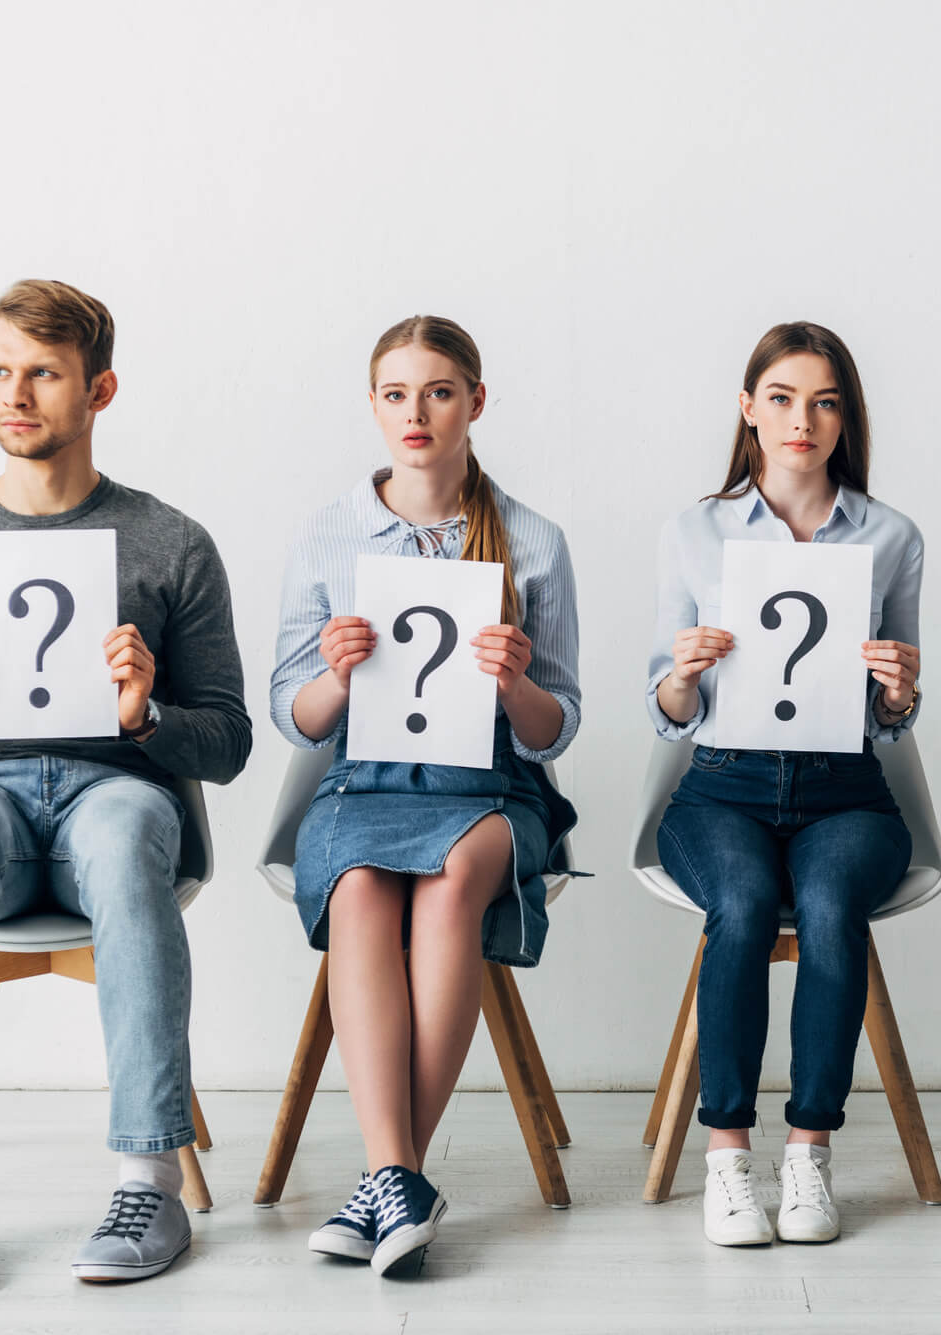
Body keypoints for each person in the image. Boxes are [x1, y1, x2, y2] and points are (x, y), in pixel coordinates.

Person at [0, 279, 251, 1287]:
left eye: (41, 373)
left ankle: (149, 1184)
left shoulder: (170, 544)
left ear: (98, 389)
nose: (14, 395)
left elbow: (230, 741)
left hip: (112, 793)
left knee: (122, 837)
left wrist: (145, 715)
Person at [269, 316, 580, 1277]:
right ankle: (397, 1175)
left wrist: (514, 683)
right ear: (373, 406)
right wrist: (333, 671)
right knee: (362, 884)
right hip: (362, 785)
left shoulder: (532, 540)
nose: (417, 412)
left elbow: (557, 724)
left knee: (450, 882)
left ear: (474, 403)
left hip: (489, 788)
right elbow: (294, 716)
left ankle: (386, 1181)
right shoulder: (329, 532)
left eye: (439, 392)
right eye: (397, 394)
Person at [647, 322, 922, 1246]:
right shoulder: (695, 530)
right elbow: (666, 707)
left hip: (847, 792)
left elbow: (894, 717)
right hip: (722, 784)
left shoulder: (891, 535)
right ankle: (727, 1156)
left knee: (834, 905)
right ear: (748, 409)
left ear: (847, 417)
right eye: (782, 398)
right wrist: (684, 672)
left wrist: (897, 690)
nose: (803, 419)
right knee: (746, 901)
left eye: (826, 400)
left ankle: (809, 1152)